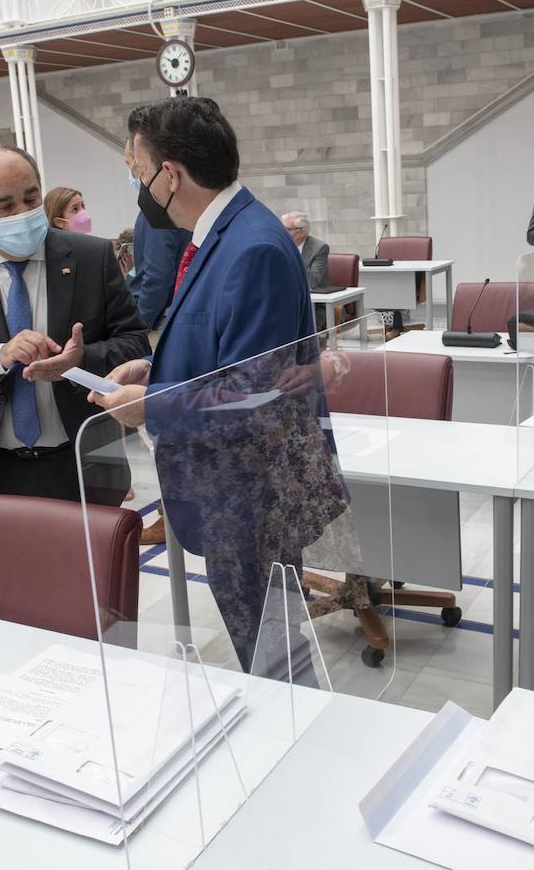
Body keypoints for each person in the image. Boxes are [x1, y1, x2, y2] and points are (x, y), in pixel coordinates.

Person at [85, 96, 341, 673]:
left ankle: (295, 754)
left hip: (252, 494)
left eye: (138, 173)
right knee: (266, 650)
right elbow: (226, 358)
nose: (139, 188)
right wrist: (157, 371)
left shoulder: (250, 247)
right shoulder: (220, 235)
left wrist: (151, 407)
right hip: (231, 487)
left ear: (170, 175)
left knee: (277, 661)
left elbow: (254, 396)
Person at [0, 144, 149, 502]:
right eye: (5, 206)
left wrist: (79, 362)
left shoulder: (91, 257)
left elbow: (135, 343)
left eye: (31, 197)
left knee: (93, 560)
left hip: (83, 459)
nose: (23, 212)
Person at [125, 115, 191, 337]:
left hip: (159, 319)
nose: (133, 173)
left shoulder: (155, 209)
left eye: (132, 165)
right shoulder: (180, 207)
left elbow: (158, 273)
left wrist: (140, 325)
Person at [282, 211, 330, 290]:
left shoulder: (319, 248)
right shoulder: (279, 245)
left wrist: (293, 257)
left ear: (301, 232)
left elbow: (312, 281)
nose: (283, 232)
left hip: (314, 296)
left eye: (287, 229)